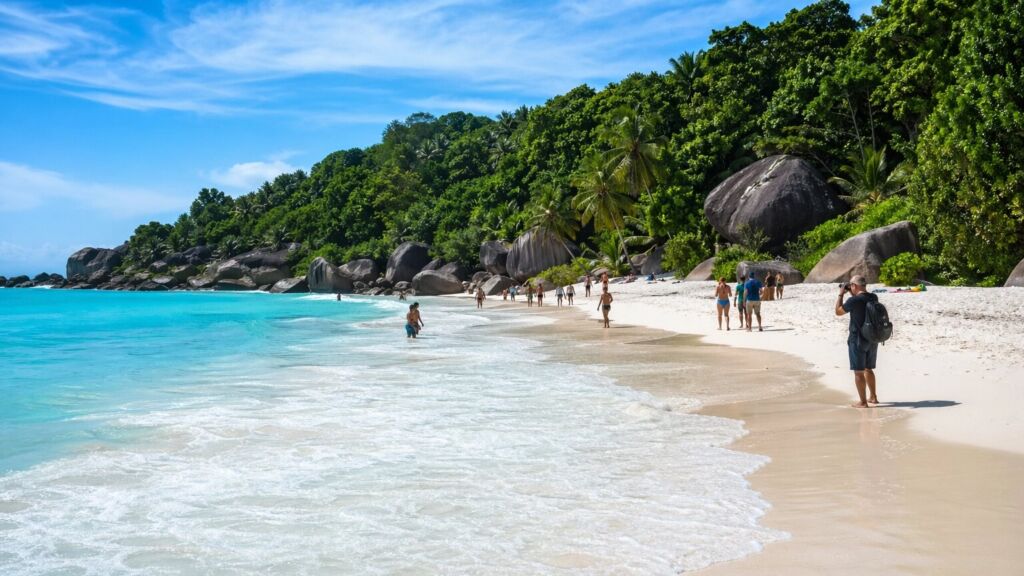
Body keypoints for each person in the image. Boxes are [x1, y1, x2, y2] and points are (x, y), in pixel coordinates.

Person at [835, 275, 880, 408]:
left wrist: (840, 295)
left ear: (854, 285)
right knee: (868, 369)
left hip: (858, 339)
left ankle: (863, 402)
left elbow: (838, 312)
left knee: (858, 372)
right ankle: (873, 397)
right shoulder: (873, 297)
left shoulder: (853, 300)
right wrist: (851, 291)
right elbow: (861, 302)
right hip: (872, 338)